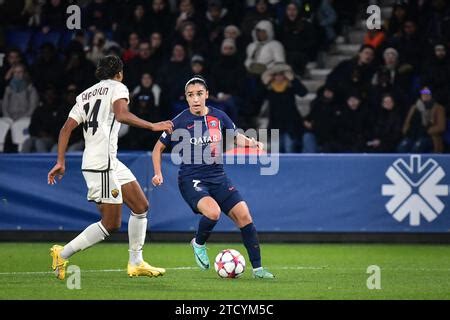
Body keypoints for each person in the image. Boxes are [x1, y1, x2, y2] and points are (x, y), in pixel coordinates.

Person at [47, 55, 173, 280]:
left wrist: (60, 161)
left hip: (109, 161)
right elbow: (122, 115)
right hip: (101, 165)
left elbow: (66, 129)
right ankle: (62, 253)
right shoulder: (118, 87)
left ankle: (136, 262)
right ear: (120, 73)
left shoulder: (84, 95)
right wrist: (153, 125)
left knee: (141, 206)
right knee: (111, 223)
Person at [151, 76, 275, 279]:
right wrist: (158, 172)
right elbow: (158, 149)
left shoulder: (219, 116)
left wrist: (252, 143)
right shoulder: (179, 121)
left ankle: (258, 269)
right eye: (191, 95)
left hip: (218, 176)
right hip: (191, 178)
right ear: (186, 98)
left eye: (199, 94)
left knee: (244, 216)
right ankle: (198, 243)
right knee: (213, 212)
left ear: (207, 95)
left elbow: (236, 136)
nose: (195, 99)